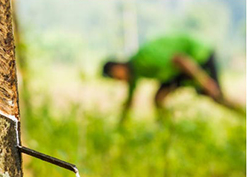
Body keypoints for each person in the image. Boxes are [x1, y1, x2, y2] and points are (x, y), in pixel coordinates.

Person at [102, 35, 244, 123]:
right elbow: (129, 102)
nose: (119, 81)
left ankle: (243, 113)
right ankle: (169, 130)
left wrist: (204, 81)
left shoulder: (144, 59)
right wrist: (121, 124)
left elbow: (180, 59)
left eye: (115, 77)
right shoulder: (135, 74)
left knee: (217, 96)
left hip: (198, 56)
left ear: (117, 68)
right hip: (179, 70)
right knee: (158, 99)